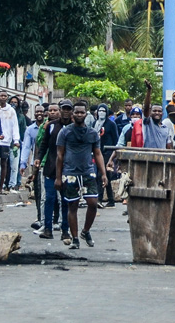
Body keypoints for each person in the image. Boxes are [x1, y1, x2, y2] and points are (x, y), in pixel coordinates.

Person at [55, 102, 108, 249]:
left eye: (82, 112)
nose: (79, 115)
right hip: (70, 173)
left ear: (86, 114)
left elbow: (98, 153)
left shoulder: (92, 133)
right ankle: (75, 238)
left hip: (88, 172)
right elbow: (60, 155)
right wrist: (58, 177)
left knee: (93, 203)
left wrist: (103, 173)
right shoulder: (65, 132)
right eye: (77, 112)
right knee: (73, 206)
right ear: (73, 114)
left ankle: (86, 231)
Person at [36, 100, 73, 242]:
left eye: (68, 109)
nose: (65, 111)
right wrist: (39, 158)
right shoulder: (51, 126)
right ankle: (47, 229)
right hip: (51, 167)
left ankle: (65, 230)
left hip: (68, 169)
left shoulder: (74, 127)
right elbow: (43, 145)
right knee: (49, 199)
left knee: (65, 201)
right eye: (63, 108)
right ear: (60, 110)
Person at [20, 105, 45, 226]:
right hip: (35, 165)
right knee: (38, 192)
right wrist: (22, 163)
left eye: (41, 111)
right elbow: (26, 147)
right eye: (37, 112)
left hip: (48, 164)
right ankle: (40, 217)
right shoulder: (30, 129)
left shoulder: (49, 127)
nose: (39, 113)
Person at [92, 103, 118, 208]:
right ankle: (111, 200)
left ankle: (99, 198)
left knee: (102, 176)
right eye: (100, 111)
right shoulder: (95, 123)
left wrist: (114, 154)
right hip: (97, 152)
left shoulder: (111, 124)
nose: (101, 113)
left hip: (107, 152)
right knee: (105, 177)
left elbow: (116, 139)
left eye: (103, 111)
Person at [0, 91, 19, 192]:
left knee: (4, 163)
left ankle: (1, 186)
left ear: (7, 98)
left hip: (6, 141)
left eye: (5, 96)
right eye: (1, 95)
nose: (3, 97)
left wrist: (16, 139)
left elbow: (15, 125)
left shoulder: (11, 110)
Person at [142, 79, 172, 149]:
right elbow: (146, 108)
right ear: (150, 112)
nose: (157, 113)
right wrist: (149, 90)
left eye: (159, 111)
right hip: (148, 158)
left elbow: (168, 146)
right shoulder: (148, 123)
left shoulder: (166, 128)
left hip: (162, 158)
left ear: (162, 113)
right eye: (154, 111)